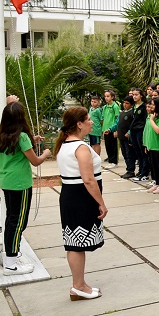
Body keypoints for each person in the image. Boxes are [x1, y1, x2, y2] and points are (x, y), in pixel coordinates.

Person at [54, 107, 107, 299]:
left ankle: (80, 284)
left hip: (71, 195)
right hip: (81, 197)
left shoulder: (65, 144)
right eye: (89, 119)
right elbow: (89, 180)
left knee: (74, 242)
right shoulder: (81, 148)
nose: (92, 122)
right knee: (76, 244)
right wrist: (101, 202)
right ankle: (78, 286)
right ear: (79, 124)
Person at [0, 101, 50, 276]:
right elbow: (35, 161)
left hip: (6, 181)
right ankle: (11, 263)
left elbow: (14, 147)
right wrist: (46, 153)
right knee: (18, 222)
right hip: (20, 183)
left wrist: (31, 141)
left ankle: (12, 253)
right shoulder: (22, 137)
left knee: (12, 219)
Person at [144, 97, 159, 195]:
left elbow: (158, 130)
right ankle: (157, 182)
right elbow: (147, 131)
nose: (151, 107)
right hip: (151, 145)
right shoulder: (152, 116)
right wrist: (146, 144)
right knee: (154, 166)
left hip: (158, 146)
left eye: (153, 104)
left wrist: (152, 120)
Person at [102, 89, 120, 168]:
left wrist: (116, 130)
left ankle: (114, 161)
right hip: (105, 129)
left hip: (112, 129)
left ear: (112, 97)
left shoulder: (115, 106)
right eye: (105, 96)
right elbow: (103, 118)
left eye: (108, 96)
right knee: (108, 145)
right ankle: (110, 160)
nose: (106, 98)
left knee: (113, 145)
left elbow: (117, 118)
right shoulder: (105, 107)